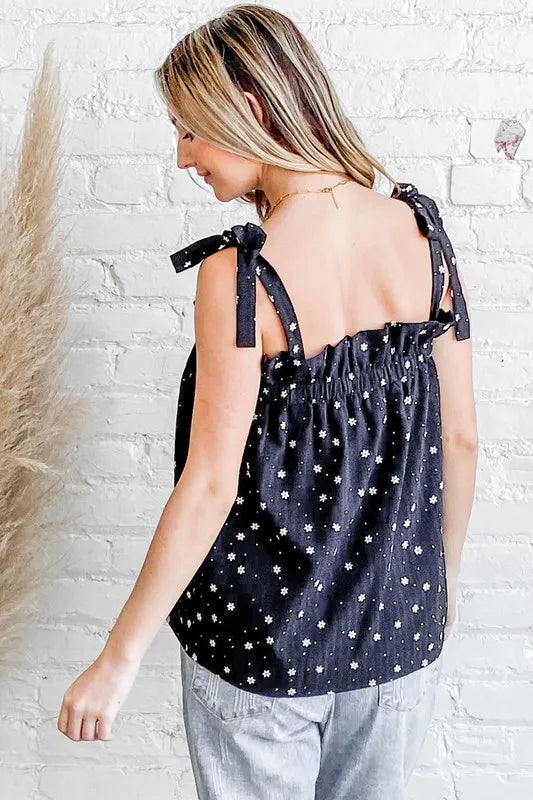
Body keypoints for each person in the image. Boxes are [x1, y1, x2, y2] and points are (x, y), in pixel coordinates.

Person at [58, 5, 478, 799]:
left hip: (260, 647)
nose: (182, 156)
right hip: (399, 634)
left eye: (190, 130)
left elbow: (209, 484)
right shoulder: (424, 236)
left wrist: (117, 660)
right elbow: (460, 439)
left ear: (249, 108)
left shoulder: (243, 276)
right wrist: (440, 589)